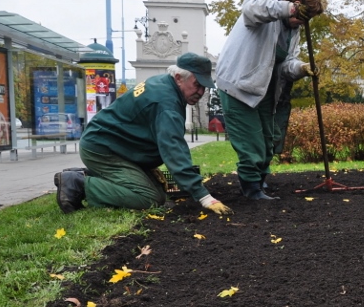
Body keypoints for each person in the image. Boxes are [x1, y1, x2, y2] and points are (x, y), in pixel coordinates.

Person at [54, 53, 232, 216]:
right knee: (148, 198)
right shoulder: (166, 105)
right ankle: (79, 183)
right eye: (197, 85)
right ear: (179, 78)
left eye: (204, 87)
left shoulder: (164, 83)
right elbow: (174, 151)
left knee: (161, 195)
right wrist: (204, 197)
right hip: (103, 149)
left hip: (114, 146)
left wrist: (148, 167)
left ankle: (93, 175)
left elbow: (143, 132)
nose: (201, 92)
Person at [214, 0, 324, 200]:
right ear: (295, 5)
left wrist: (301, 68)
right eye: (304, 15)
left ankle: (260, 180)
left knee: (268, 139)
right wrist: (289, 9)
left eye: (307, 19)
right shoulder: (267, 2)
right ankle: (251, 189)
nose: (303, 22)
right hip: (239, 83)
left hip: (264, 87)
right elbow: (251, 9)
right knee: (251, 142)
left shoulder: (294, 31)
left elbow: (285, 64)